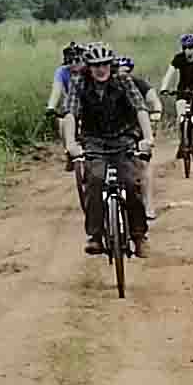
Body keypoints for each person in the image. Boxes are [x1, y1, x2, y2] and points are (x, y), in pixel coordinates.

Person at [56, 39, 153, 254]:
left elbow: (140, 108)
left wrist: (147, 138)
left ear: (111, 64)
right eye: (96, 65)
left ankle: (139, 236)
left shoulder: (123, 80)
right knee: (95, 180)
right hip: (94, 140)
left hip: (123, 138)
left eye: (105, 64)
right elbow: (71, 113)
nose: (101, 70)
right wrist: (71, 143)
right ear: (89, 67)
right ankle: (95, 236)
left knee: (131, 182)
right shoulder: (79, 82)